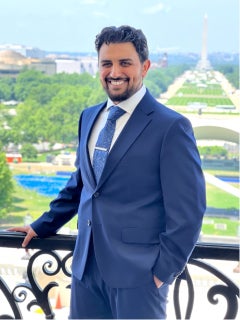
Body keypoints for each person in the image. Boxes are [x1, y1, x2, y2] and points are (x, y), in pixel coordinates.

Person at [9, 25, 206, 319]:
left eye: (125, 62)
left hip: (139, 278)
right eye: (107, 63)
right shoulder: (89, 117)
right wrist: (43, 225)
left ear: (146, 66)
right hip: (85, 270)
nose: (115, 71)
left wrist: (162, 272)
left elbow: (189, 211)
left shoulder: (171, 127)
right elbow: (81, 185)